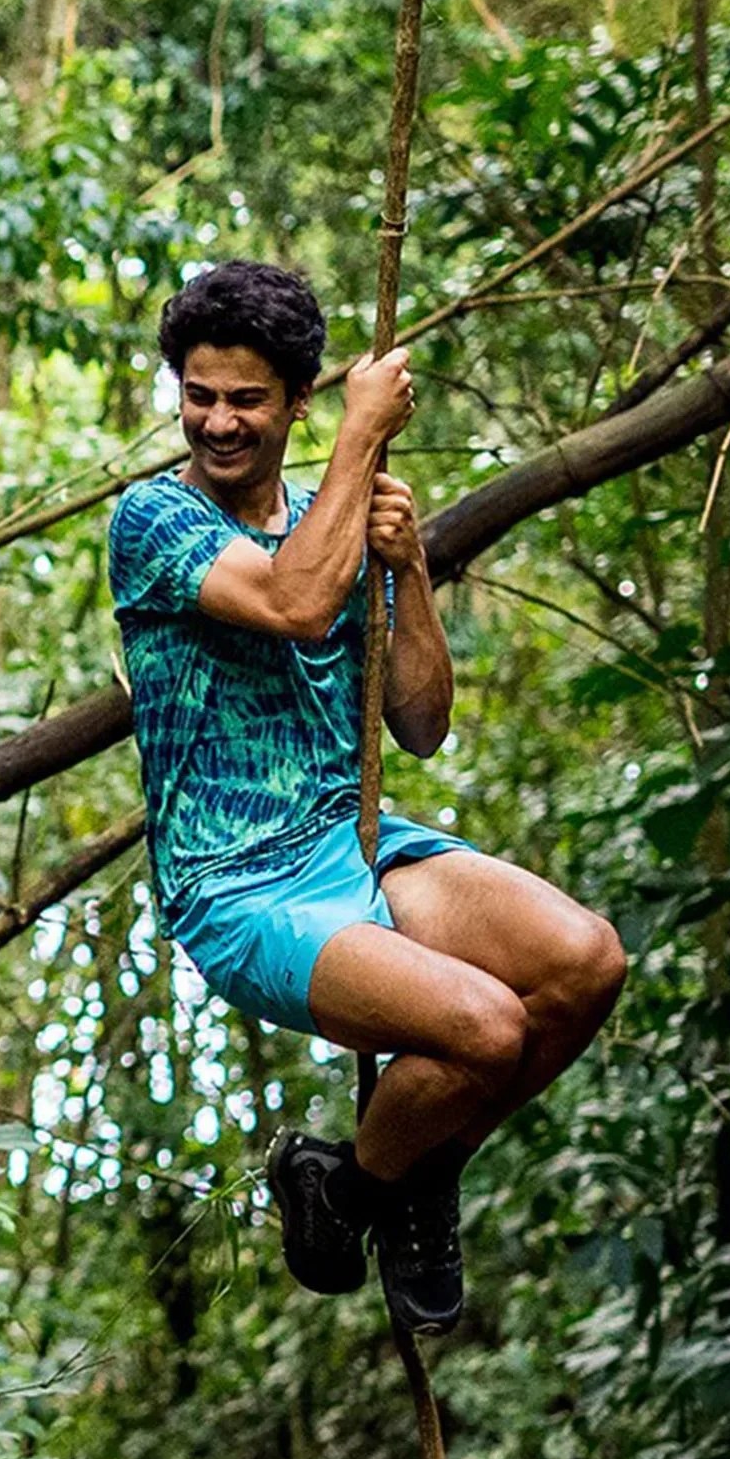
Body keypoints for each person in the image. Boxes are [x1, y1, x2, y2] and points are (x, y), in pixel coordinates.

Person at [107, 261, 626, 1335]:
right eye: (198, 396)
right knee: (485, 1029)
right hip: (238, 885)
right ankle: (399, 1171)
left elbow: (422, 725)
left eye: (246, 399)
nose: (217, 422)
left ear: (295, 399)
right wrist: (361, 435)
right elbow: (294, 600)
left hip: (356, 837)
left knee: (585, 965)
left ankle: (365, 1182)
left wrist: (411, 569)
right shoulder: (153, 518)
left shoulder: (337, 519)